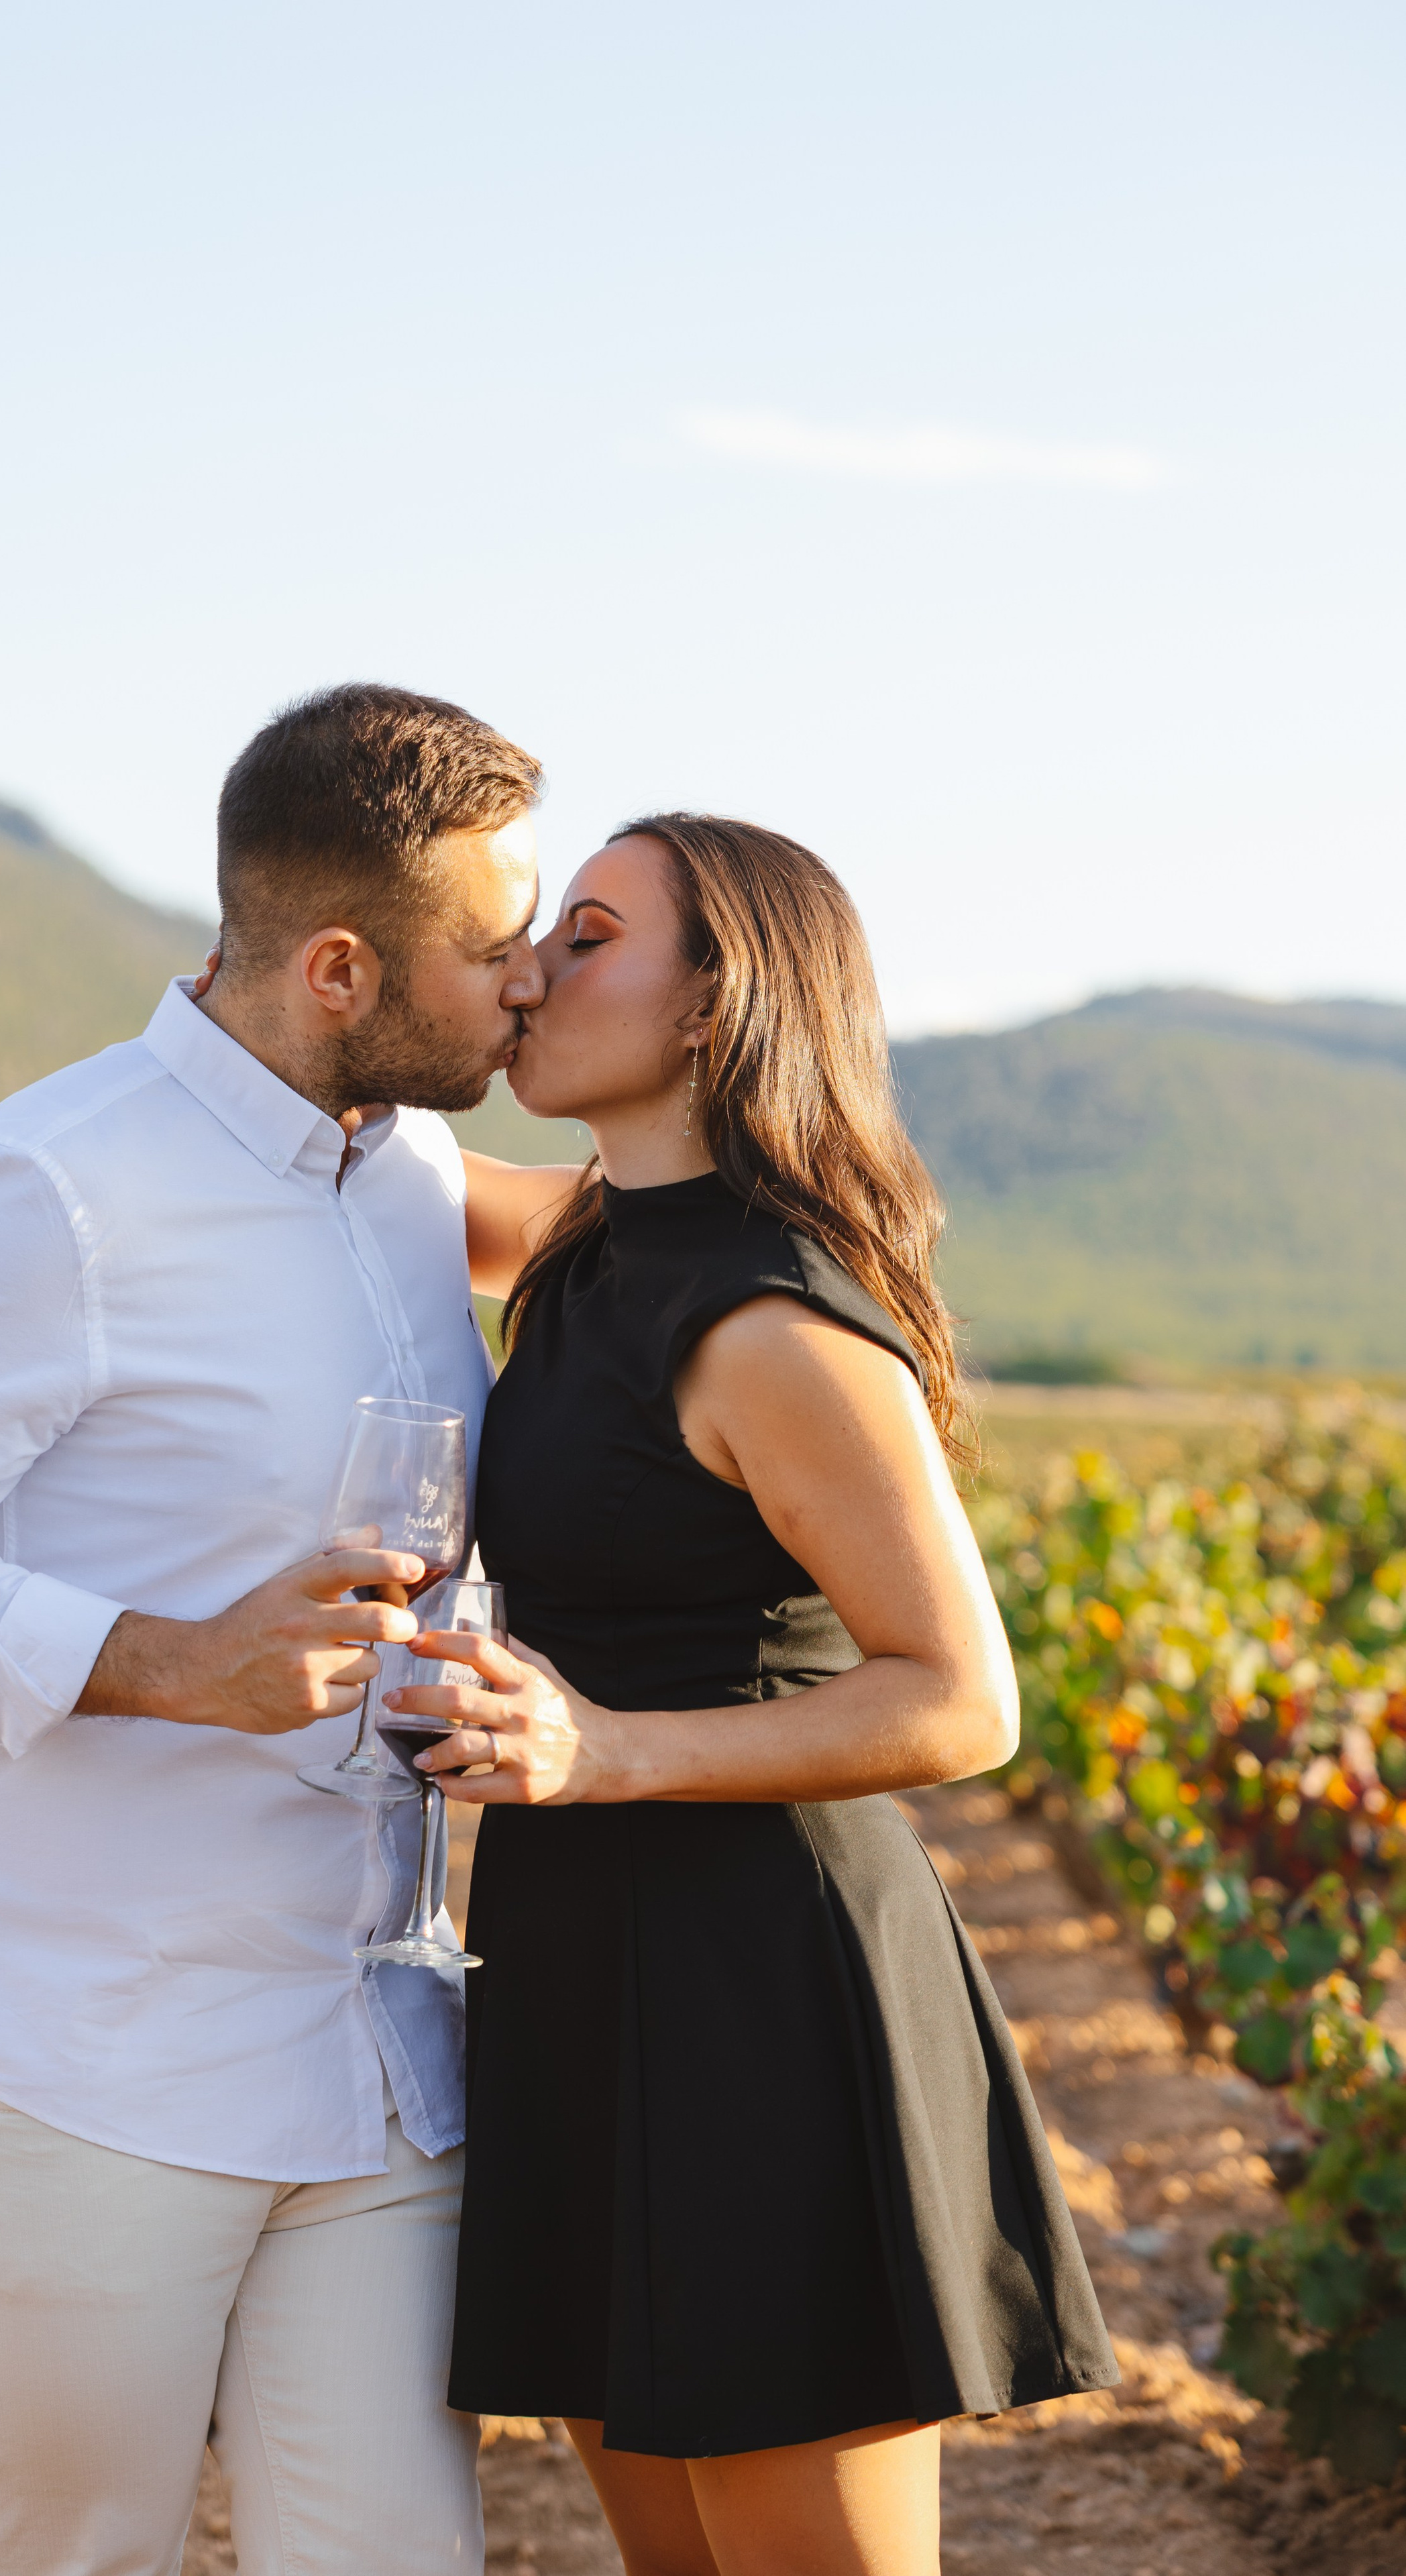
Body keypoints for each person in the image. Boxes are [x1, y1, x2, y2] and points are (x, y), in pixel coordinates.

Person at [0, 684, 549, 2576]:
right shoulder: (47, 1189)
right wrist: (174, 1662)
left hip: (371, 2045)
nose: (526, 984)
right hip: (81, 2055)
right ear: (344, 967)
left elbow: (617, 1223)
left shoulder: (411, 1168)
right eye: (497, 948)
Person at [390, 814, 1120, 2576]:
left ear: (713, 1012)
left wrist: (605, 1749)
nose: (531, 974)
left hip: (760, 1985)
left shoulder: (767, 1326)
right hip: (583, 1961)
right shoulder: (593, 1243)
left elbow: (964, 1700)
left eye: (585, 938)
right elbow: (351, 1164)